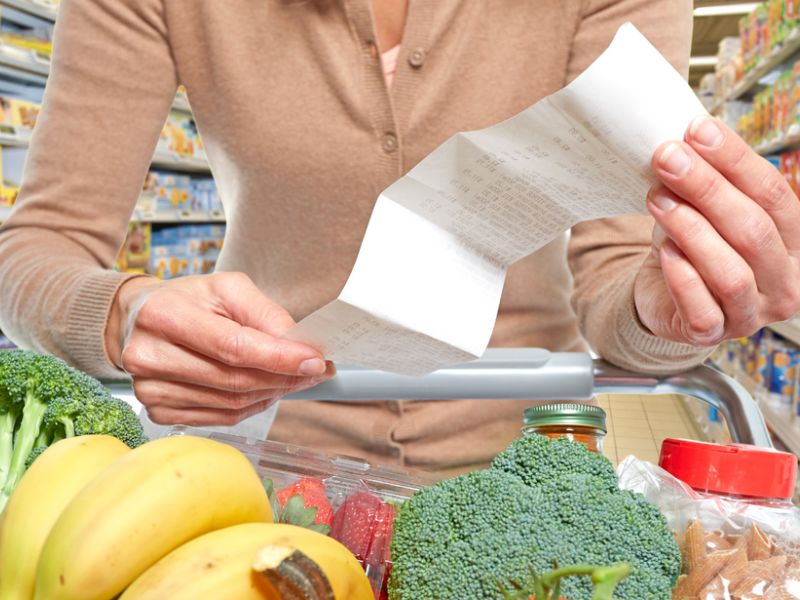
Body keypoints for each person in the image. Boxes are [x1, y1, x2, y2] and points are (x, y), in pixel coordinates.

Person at [0, 0, 797, 476]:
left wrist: (672, 312)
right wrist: (122, 314)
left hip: (525, 454)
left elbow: (618, 278)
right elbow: (35, 244)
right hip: (268, 454)